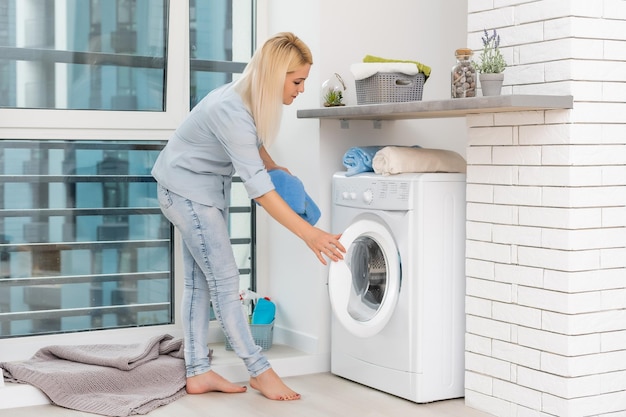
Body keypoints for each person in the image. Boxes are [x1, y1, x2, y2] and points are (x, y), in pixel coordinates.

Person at [151, 32, 345, 401]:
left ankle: (197, 373)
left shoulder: (245, 100)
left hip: (196, 189)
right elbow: (259, 190)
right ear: (276, 75)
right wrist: (310, 234)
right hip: (186, 191)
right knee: (225, 282)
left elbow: (253, 146)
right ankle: (260, 371)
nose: (301, 89)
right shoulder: (231, 108)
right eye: (298, 80)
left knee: (199, 283)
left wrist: (276, 168)